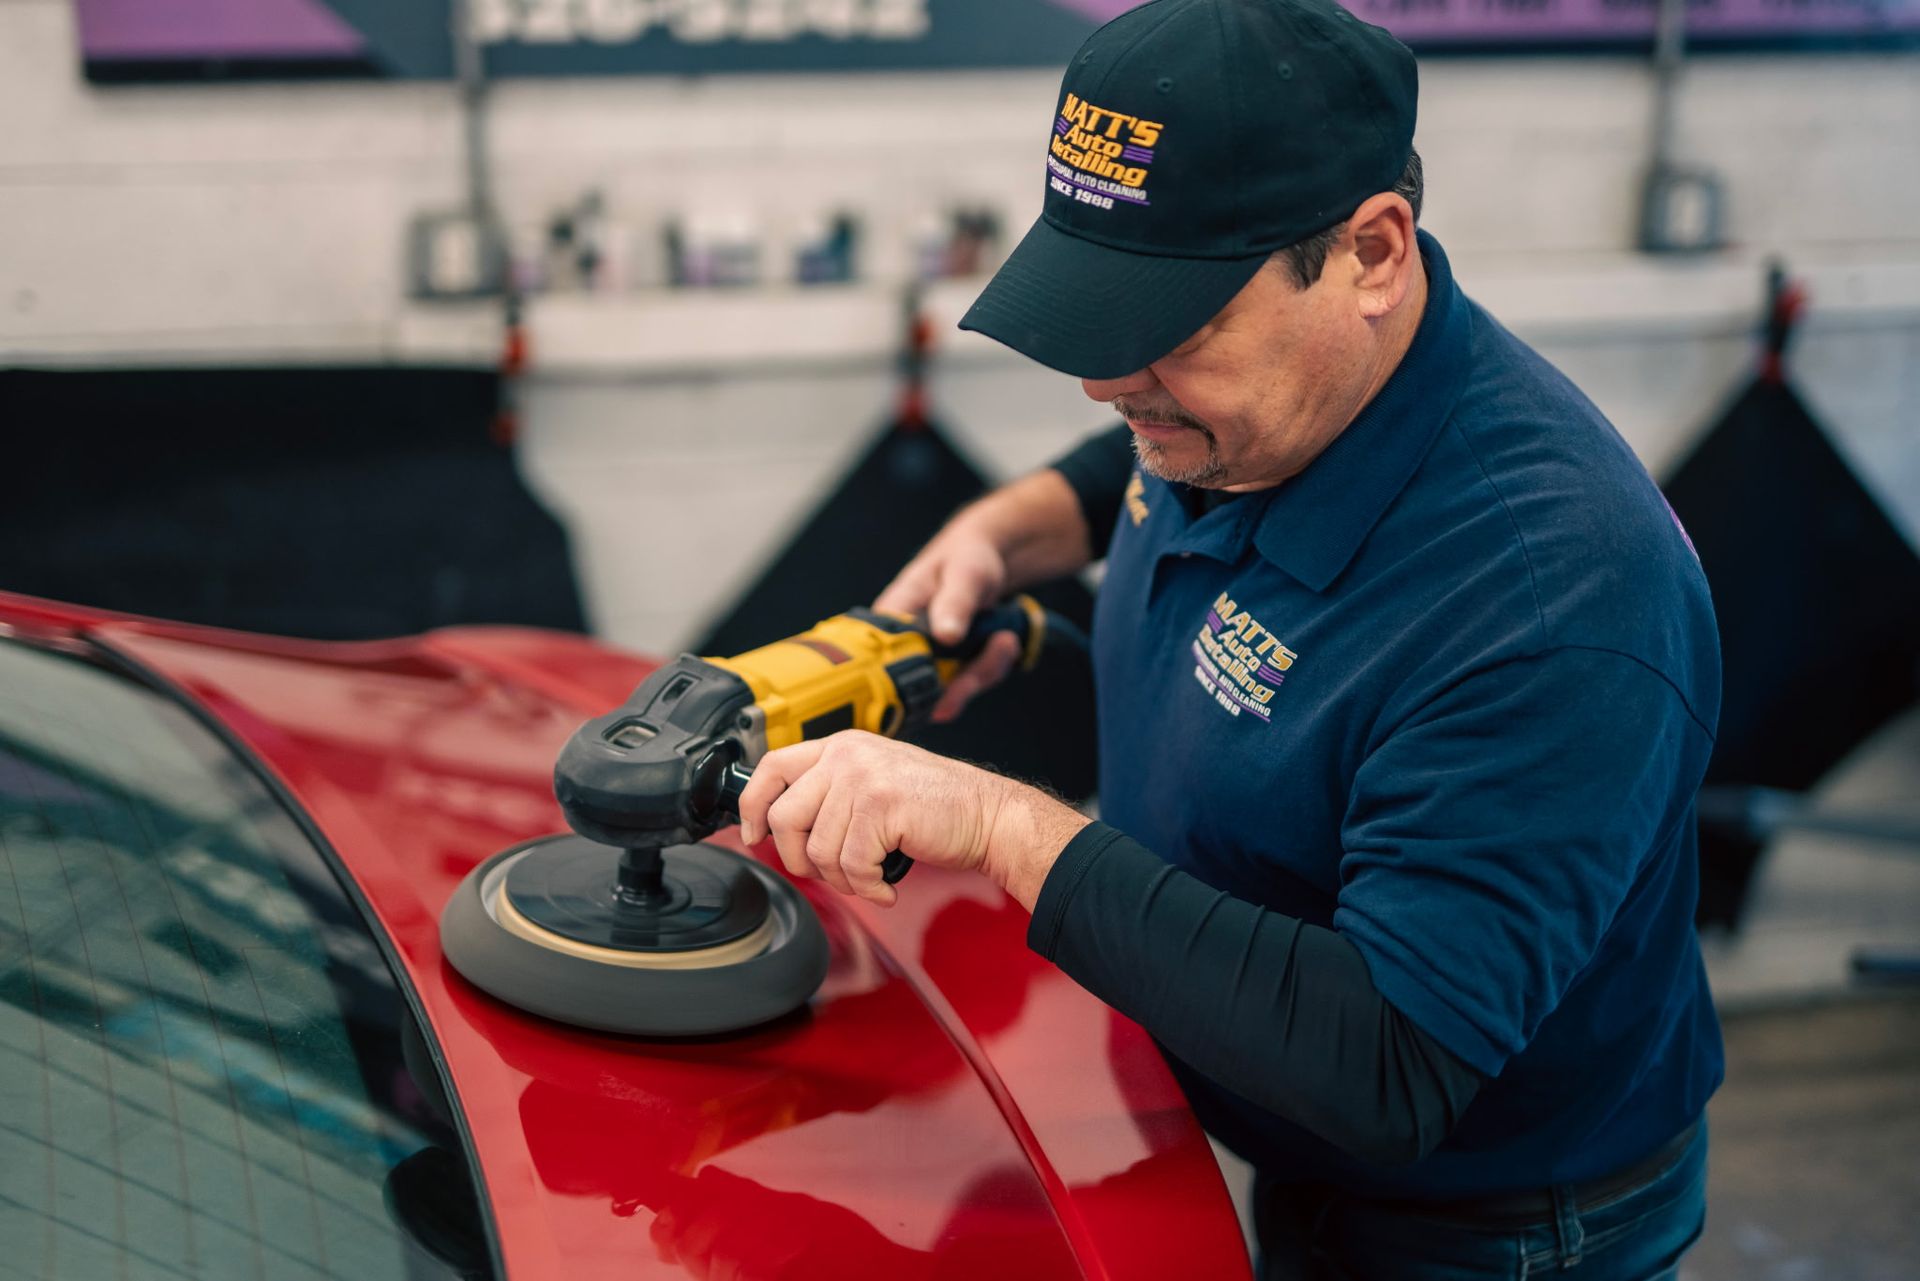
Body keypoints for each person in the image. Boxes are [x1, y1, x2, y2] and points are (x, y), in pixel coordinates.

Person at [736, 1, 1723, 1276]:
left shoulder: (1554, 605)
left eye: (1168, 327)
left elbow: (1390, 1064)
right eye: (1096, 321)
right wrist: (1016, 526)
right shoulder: (1267, 407)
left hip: (1487, 1232)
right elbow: (1141, 448)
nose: (1107, 380)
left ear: (1372, 252)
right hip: (1284, 1154)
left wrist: (1003, 827)